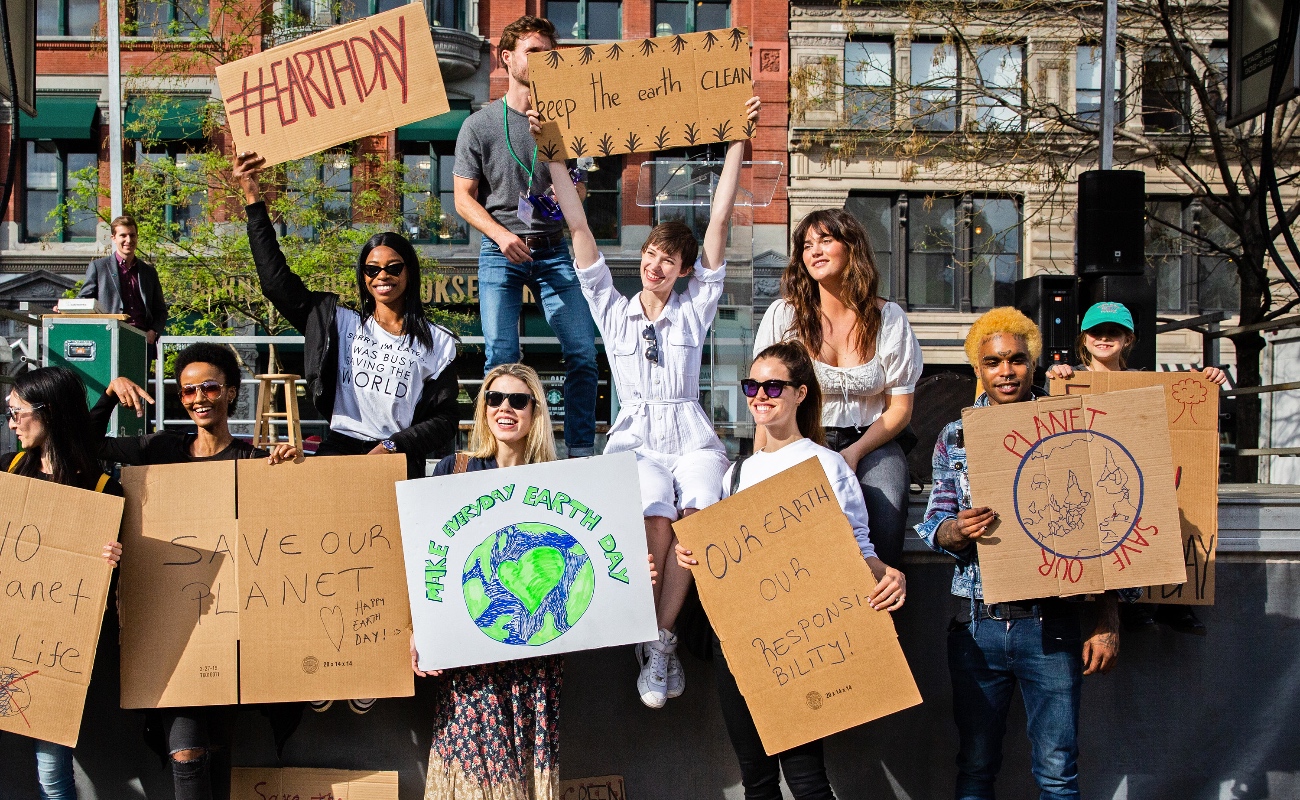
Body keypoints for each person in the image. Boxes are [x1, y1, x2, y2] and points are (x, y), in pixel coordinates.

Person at [534, 96, 760, 708]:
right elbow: (580, 228)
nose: (658, 264)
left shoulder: (694, 308)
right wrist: (555, 157)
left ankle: (661, 641)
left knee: (703, 511)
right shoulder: (612, 309)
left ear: (685, 271)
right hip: (635, 434)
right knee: (654, 510)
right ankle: (651, 628)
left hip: (689, 430)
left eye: (671, 259)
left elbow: (719, 225)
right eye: (653, 254)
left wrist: (738, 140)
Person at [674, 341, 905, 800]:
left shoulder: (826, 463)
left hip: (800, 639)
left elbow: (856, 543)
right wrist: (692, 556)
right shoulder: (734, 474)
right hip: (739, 641)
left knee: (806, 779)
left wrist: (886, 572)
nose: (760, 395)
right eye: (752, 385)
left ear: (801, 393)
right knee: (756, 782)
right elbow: (721, 559)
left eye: (773, 386)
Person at [916, 307, 1127, 800]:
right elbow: (932, 519)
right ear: (978, 370)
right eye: (993, 362)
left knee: (1057, 771)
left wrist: (1107, 615)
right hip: (977, 624)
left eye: (1015, 360)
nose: (1005, 371)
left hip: (1050, 624)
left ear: (1033, 364)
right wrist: (952, 531)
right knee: (975, 764)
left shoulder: (1071, 425)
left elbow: (1111, 524)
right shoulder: (955, 435)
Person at [89, 342, 297, 800]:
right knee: (185, 752)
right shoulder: (161, 448)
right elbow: (85, 445)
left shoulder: (251, 461)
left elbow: (286, 534)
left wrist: (288, 470)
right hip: (170, 631)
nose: (198, 398)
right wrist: (108, 395)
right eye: (187, 391)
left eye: (209, 387)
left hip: (229, 631)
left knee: (217, 750)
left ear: (231, 393)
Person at [232, 151, 460, 483]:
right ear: (363, 277)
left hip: (397, 459)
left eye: (393, 268)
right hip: (340, 451)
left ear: (410, 272)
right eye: (372, 269)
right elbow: (275, 282)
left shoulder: (438, 341)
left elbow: (445, 419)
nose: (383, 275)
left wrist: (393, 446)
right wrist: (253, 201)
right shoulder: (337, 323)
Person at [412, 362, 563, 800]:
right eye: (495, 398)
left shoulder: (560, 481)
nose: (505, 408)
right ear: (483, 409)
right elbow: (427, 560)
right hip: (469, 659)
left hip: (534, 658)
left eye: (518, 399)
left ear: (535, 411)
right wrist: (416, 628)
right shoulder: (454, 470)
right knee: (476, 777)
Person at [453, 14, 599, 458]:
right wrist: (499, 236)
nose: (543, 60)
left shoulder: (570, 119)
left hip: (555, 249)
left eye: (549, 53)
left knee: (583, 352)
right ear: (507, 58)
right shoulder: (478, 126)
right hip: (502, 251)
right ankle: (494, 451)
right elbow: (462, 199)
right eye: (533, 52)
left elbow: (582, 188)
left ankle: (578, 451)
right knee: (500, 355)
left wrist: (567, 188)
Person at [754, 209, 923, 568]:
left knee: (888, 501)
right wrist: (761, 463)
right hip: (801, 437)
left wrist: (855, 452)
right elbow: (764, 400)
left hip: (872, 439)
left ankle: (883, 607)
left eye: (825, 240)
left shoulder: (889, 318)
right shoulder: (783, 316)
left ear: (852, 248)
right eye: (806, 245)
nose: (814, 250)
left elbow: (899, 409)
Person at [1046, 300, 1225, 636]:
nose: (1104, 338)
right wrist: (1055, 378)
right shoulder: (1065, 380)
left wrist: (1209, 379)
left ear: (1128, 339)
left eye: (1114, 332)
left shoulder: (1147, 382)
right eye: (1096, 332)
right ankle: (1130, 604)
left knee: (1156, 517)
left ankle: (1170, 602)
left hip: (1129, 475)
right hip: (1088, 480)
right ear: (1083, 339)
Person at [4, 367, 123, 800]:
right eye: (9, 413)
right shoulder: (9, 473)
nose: (12, 423)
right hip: (6, 630)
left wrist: (113, 561)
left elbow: (115, 589)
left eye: (17, 412)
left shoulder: (101, 489)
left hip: (53, 651)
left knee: (52, 774)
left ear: (48, 413)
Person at [78, 214, 168, 360]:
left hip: (142, 341)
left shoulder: (149, 272)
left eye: (132, 235)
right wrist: (64, 310)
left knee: (138, 384)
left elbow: (160, 310)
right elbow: (85, 301)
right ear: (114, 238)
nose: (129, 240)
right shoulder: (99, 267)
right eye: (123, 235)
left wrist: (153, 331)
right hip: (109, 339)